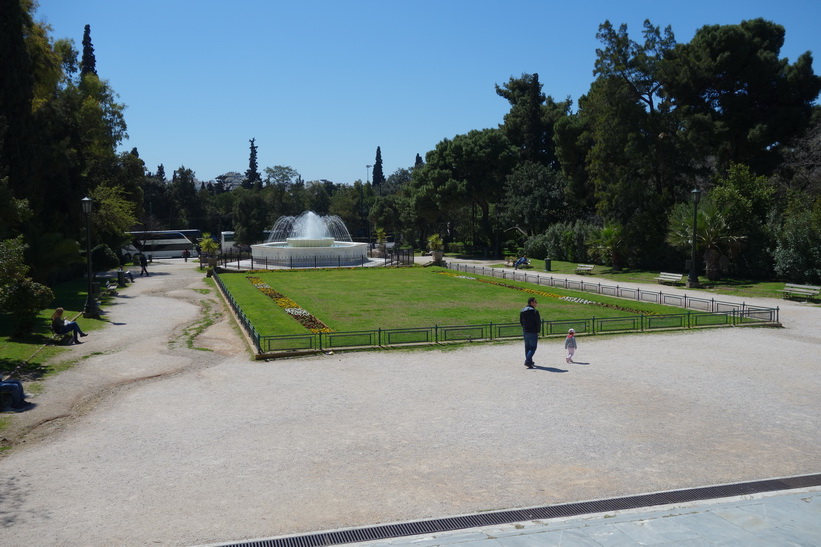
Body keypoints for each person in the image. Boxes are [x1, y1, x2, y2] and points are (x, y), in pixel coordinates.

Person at [519, 297, 540, 369]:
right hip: (533, 331)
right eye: (535, 301)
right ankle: (527, 361)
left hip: (525, 331)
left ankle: (530, 361)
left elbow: (521, 321)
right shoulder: (535, 311)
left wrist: (524, 328)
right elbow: (538, 322)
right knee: (533, 347)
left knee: (527, 347)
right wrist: (538, 331)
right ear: (531, 302)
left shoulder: (522, 311)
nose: (536, 303)